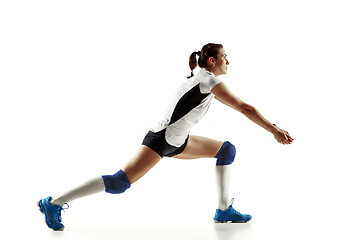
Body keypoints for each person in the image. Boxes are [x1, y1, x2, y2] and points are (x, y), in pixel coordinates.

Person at [38, 43, 293, 231]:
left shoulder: (203, 78)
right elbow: (244, 108)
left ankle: (224, 210)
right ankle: (53, 202)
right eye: (225, 57)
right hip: (162, 140)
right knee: (119, 183)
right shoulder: (208, 80)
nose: (229, 61)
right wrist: (275, 130)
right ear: (212, 61)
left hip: (177, 141)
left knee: (226, 150)